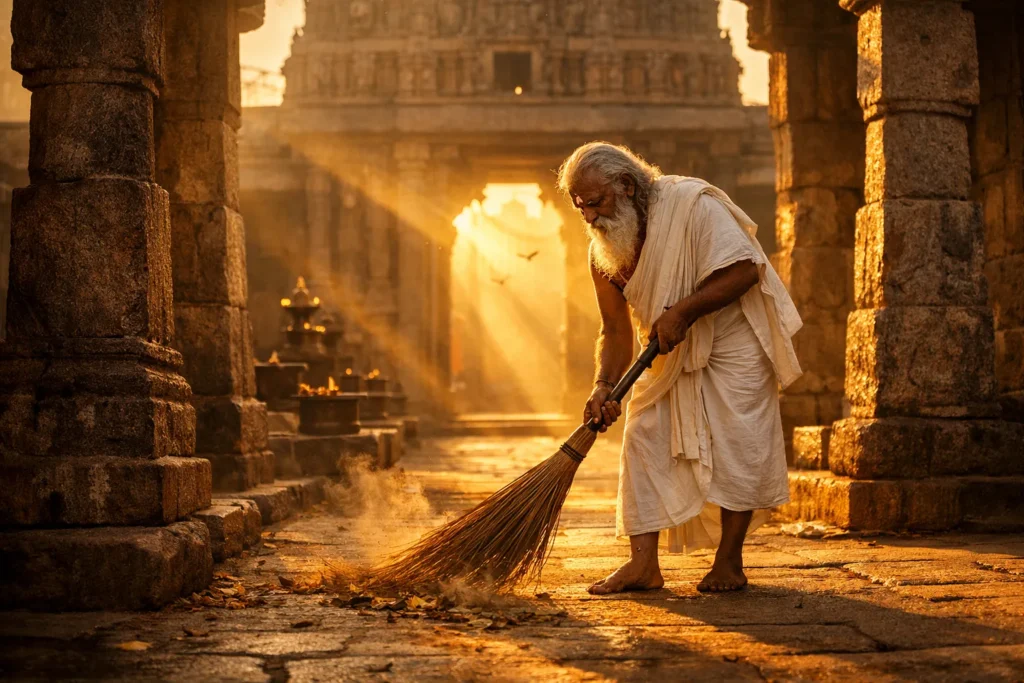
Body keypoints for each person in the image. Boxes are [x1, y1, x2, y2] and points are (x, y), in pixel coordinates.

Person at [556, 142, 803, 594]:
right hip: (670, 344)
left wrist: (684, 310)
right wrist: (604, 385)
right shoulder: (603, 252)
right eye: (580, 207)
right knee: (644, 434)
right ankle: (643, 565)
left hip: (734, 336)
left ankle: (729, 561)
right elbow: (613, 329)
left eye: (596, 203)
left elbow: (747, 270)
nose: (589, 217)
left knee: (737, 440)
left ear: (627, 186)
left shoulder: (691, 205)